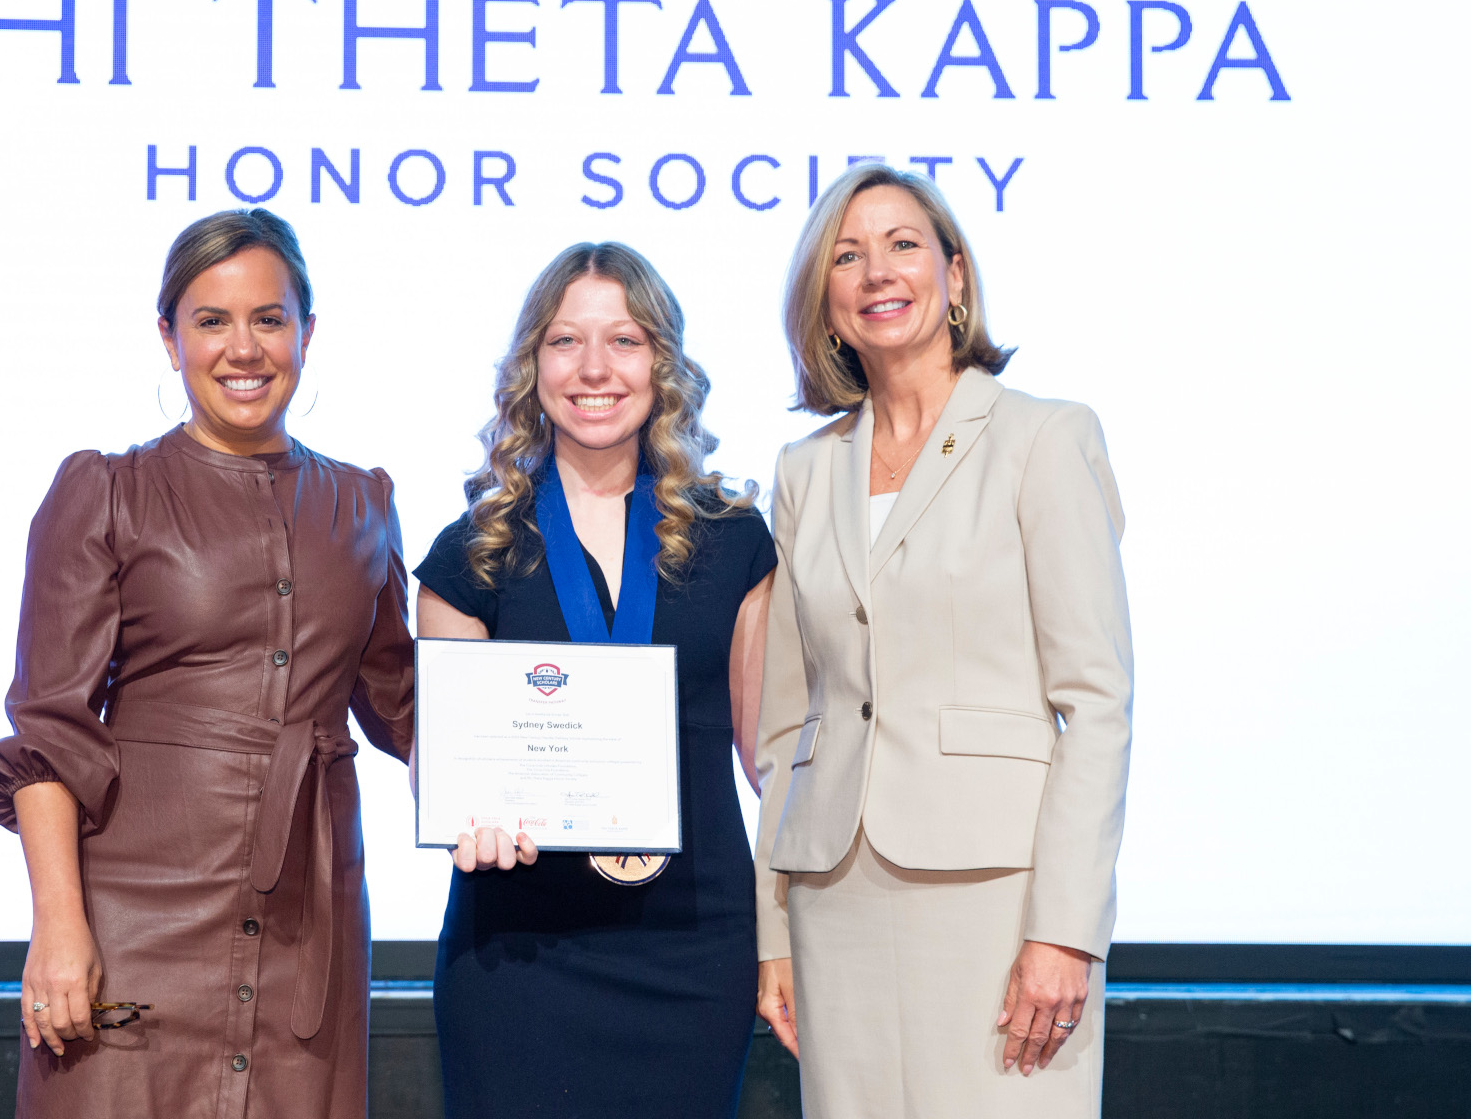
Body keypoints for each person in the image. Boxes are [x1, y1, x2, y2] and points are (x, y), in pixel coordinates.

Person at [0, 209, 413, 1119]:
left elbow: (408, 709)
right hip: (134, 920)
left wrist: (576, 745)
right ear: (168, 339)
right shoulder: (105, 491)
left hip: (310, 927)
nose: (243, 348)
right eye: (211, 321)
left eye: (269, 319)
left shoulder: (364, 505)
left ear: (307, 333)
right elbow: (49, 732)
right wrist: (59, 928)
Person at [752, 163, 1133, 1118]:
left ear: (955, 277)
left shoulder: (1044, 439)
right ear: (826, 304)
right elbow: (785, 727)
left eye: (903, 245)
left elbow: (1096, 705)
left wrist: (1066, 931)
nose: (878, 272)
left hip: (999, 902)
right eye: (847, 256)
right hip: (833, 896)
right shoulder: (804, 470)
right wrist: (774, 931)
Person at [415, 243, 777, 1119]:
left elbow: (772, 755)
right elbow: (441, 772)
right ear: (530, 365)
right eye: (565, 341)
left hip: (694, 952)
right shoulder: (474, 553)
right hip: (519, 954)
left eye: (623, 340)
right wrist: (472, 815)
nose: (593, 369)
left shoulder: (735, 540)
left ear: (664, 361)